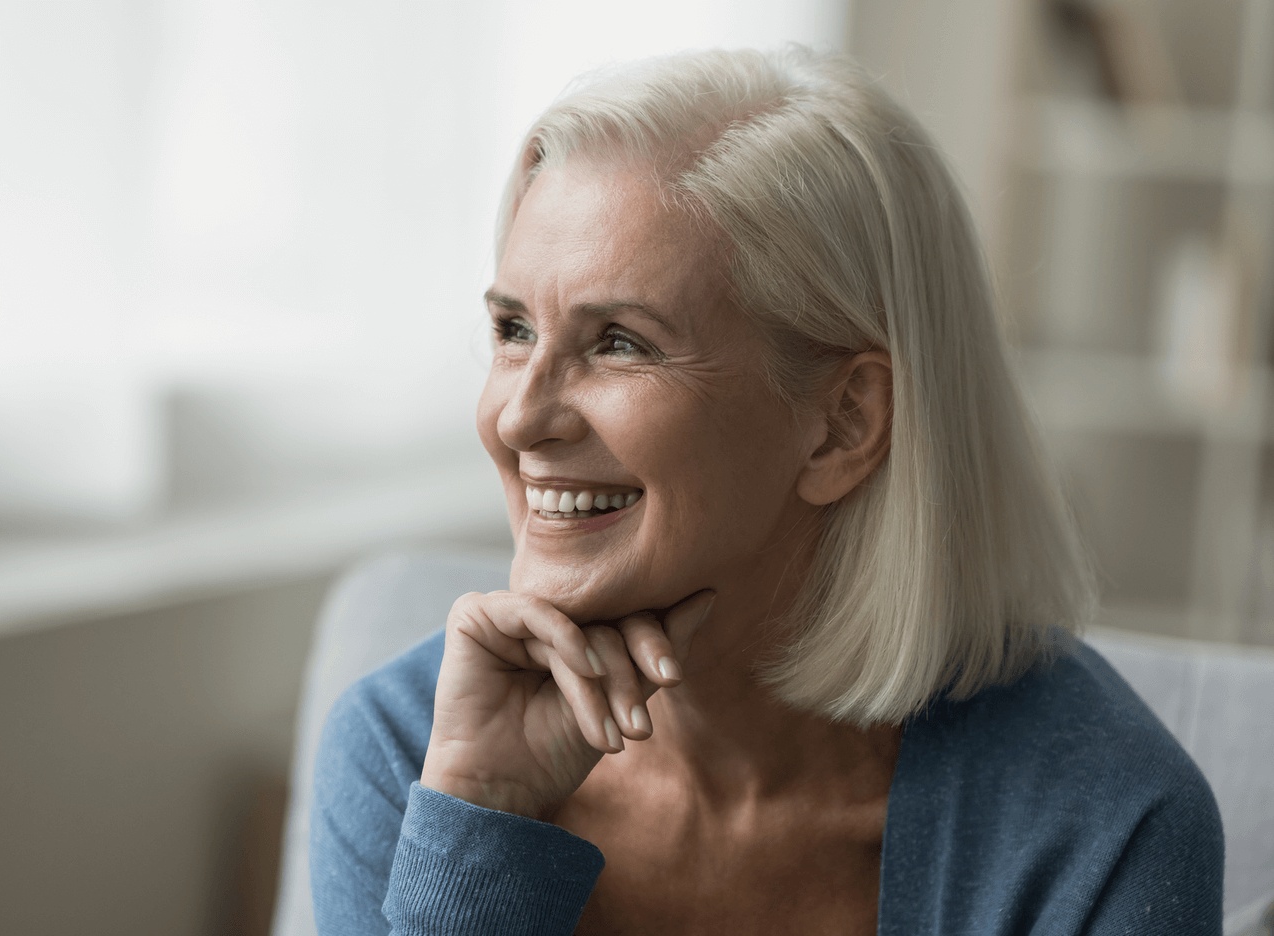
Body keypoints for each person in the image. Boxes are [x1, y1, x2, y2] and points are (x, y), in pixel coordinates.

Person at [309, 46, 1223, 934]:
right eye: (513, 328)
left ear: (843, 424)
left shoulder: (1107, 826)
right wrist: (479, 834)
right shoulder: (416, 755)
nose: (517, 419)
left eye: (619, 340)